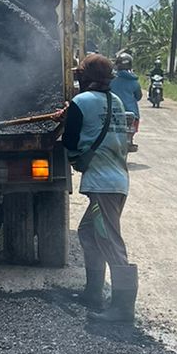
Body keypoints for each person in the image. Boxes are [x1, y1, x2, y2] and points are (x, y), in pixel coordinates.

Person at [61, 53, 138, 323]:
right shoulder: (115, 102)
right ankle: (93, 292)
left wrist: (67, 118)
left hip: (102, 186)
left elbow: (70, 141)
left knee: (110, 241)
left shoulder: (80, 102)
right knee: (88, 232)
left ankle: (123, 308)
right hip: (117, 181)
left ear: (84, 78)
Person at [111, 51, 142, 149]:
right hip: (132, 113)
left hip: (113, 111)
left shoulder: (111, 79)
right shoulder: (134, 81)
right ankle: (130, 139)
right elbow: (138, 96)